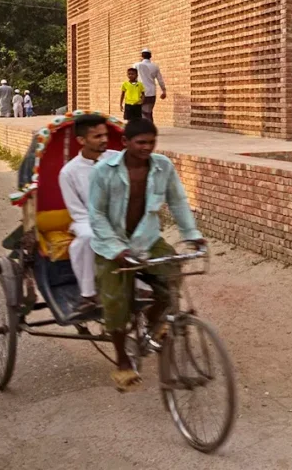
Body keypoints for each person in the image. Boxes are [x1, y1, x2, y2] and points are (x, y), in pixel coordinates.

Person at [89, 118, 204, 392]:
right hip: (112, 245)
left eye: (151, 142)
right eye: (141, 142)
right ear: (125, 143)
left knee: (172, 274)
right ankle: (121, 363)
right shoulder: (104, 171)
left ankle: (155, 325)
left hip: (147, 239)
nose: (147, 147)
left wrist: (192, 234)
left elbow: (177, 200)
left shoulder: (163, 166)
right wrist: (117, 249)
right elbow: (96, 214)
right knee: (116, 302)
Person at [58, 114, 113, 316]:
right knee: (89, 237)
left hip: (118, 217)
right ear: (81, 140)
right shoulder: (69, 172)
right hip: (86, 221)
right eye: (97, 136)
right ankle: (88, 294)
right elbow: (77, 212)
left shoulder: (117, 159)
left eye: (105, 135)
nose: (104, 140)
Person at [133, 49, 167, 121]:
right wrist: (164, 91)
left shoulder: (136, 65)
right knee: (148, 113)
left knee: (141, 113)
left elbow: (133, 78)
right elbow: (160, 80)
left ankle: (146, 129)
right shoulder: (155, 66)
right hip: (151, 93)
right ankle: (149, 129)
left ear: (142, 56)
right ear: (150, 56)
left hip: (139, 93)